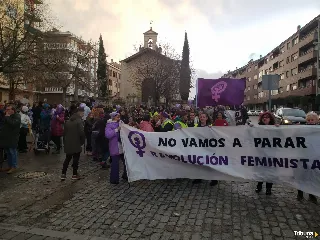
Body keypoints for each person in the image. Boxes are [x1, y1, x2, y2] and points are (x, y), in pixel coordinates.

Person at [253, 111, 279, 195]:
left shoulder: (274, 128)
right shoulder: (258, 127)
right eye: (264, 117)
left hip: (271, 153)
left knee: (270, 171)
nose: (265, 118)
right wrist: (250, 128)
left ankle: (269, 188)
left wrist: (278, 129)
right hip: (260, 153)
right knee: (261, 170)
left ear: (270, 119)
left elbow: (281, 137)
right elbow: (251, 135)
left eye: (267, 117)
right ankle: (259, 185)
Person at [296, 112, 318, 203]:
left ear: (316, 120)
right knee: (301, 175)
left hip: (314, 157)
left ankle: (311, 194)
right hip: (303, 155)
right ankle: (300, 193)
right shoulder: (302, 128)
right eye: (308, 120)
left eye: (312, 120)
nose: (310, 121)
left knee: (312, 176)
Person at [61, 107, 85, 180]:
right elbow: (81, 133)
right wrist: (82, 142)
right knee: (75, 159)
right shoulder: (79, 121)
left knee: (67, 158)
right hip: (76, 143)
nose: (83, 114)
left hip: (68, 143)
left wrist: (65, 142)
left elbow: (64, 133)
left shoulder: (68, 121)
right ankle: (74, 174)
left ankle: (63, 174)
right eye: (83, 113)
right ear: (80, 113)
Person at [105, 112, 127, 184]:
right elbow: (108, 135)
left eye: (119, 116)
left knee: (126, 162)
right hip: (115, 146)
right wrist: (116, 130)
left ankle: (126, 175)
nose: (119, 118)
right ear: (114, 117)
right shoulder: (109, 125)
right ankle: (114, 179)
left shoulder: (120, 123)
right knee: (115, 164)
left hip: (122, 146)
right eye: (117, 117)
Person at [0, 105, 21, 174]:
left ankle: (14, 166)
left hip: (12, 138)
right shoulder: (6, 116)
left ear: (13, 110)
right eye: (6, 109)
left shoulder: (17, 116)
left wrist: (7, 117)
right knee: (8, 152)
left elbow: (13, 124)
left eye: (8, 109)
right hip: (6, 137)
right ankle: (10, 166)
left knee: (13, 152)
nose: (7, 111)